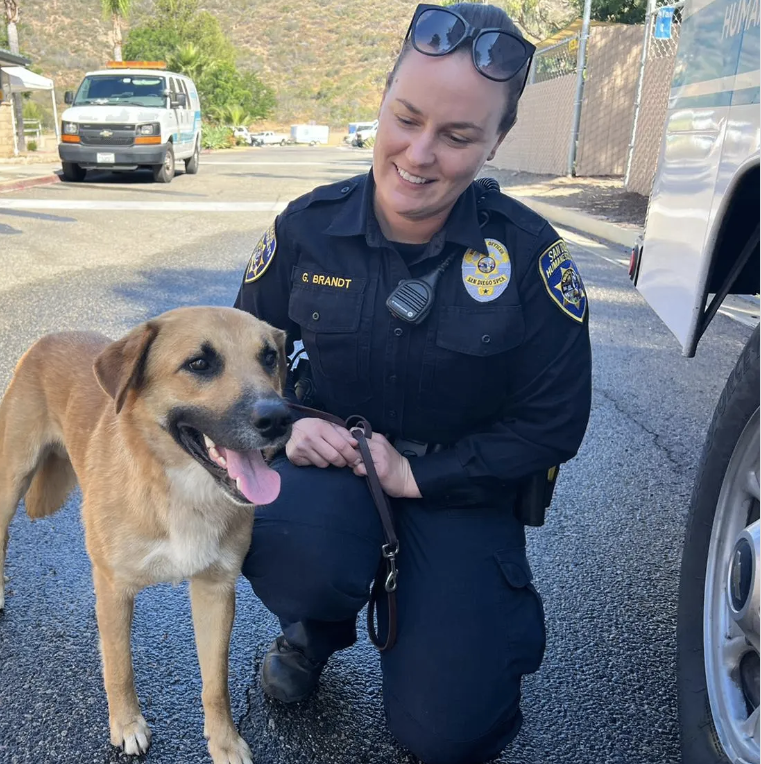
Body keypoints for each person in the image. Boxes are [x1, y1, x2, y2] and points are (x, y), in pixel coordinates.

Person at [232, 4, 593, 763]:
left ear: (496, 141)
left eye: (459, 136)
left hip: (456, 491)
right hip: (331, 476)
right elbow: (241, 364)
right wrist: (290, 425)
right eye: (407, 117)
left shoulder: (529, 258)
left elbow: (553, 425)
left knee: (450, 735)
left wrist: (418, 476)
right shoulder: (307, 228)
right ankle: (316, 626)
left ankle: (448, 620)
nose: (419, 154)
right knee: (292, 542)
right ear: (384, 98)